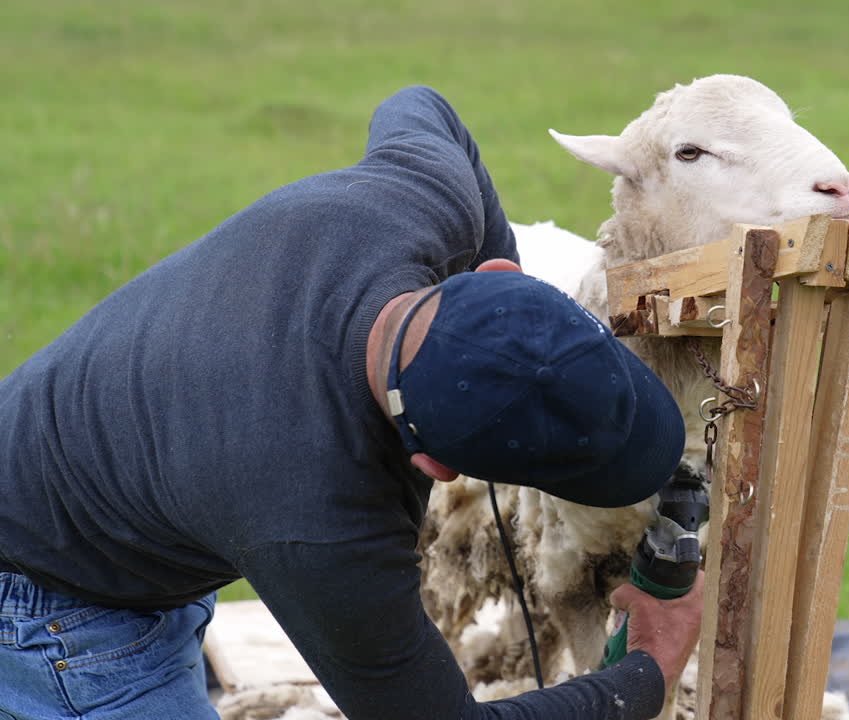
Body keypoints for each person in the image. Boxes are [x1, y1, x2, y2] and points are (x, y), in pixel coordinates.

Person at [0, 86, 703, 719]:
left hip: (105, 490)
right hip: (54, 616)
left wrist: (500, 311)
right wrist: (648, 669)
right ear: (434, 467)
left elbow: (421, 106)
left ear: (494, 275)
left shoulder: (414, 201)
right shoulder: (319, 521)